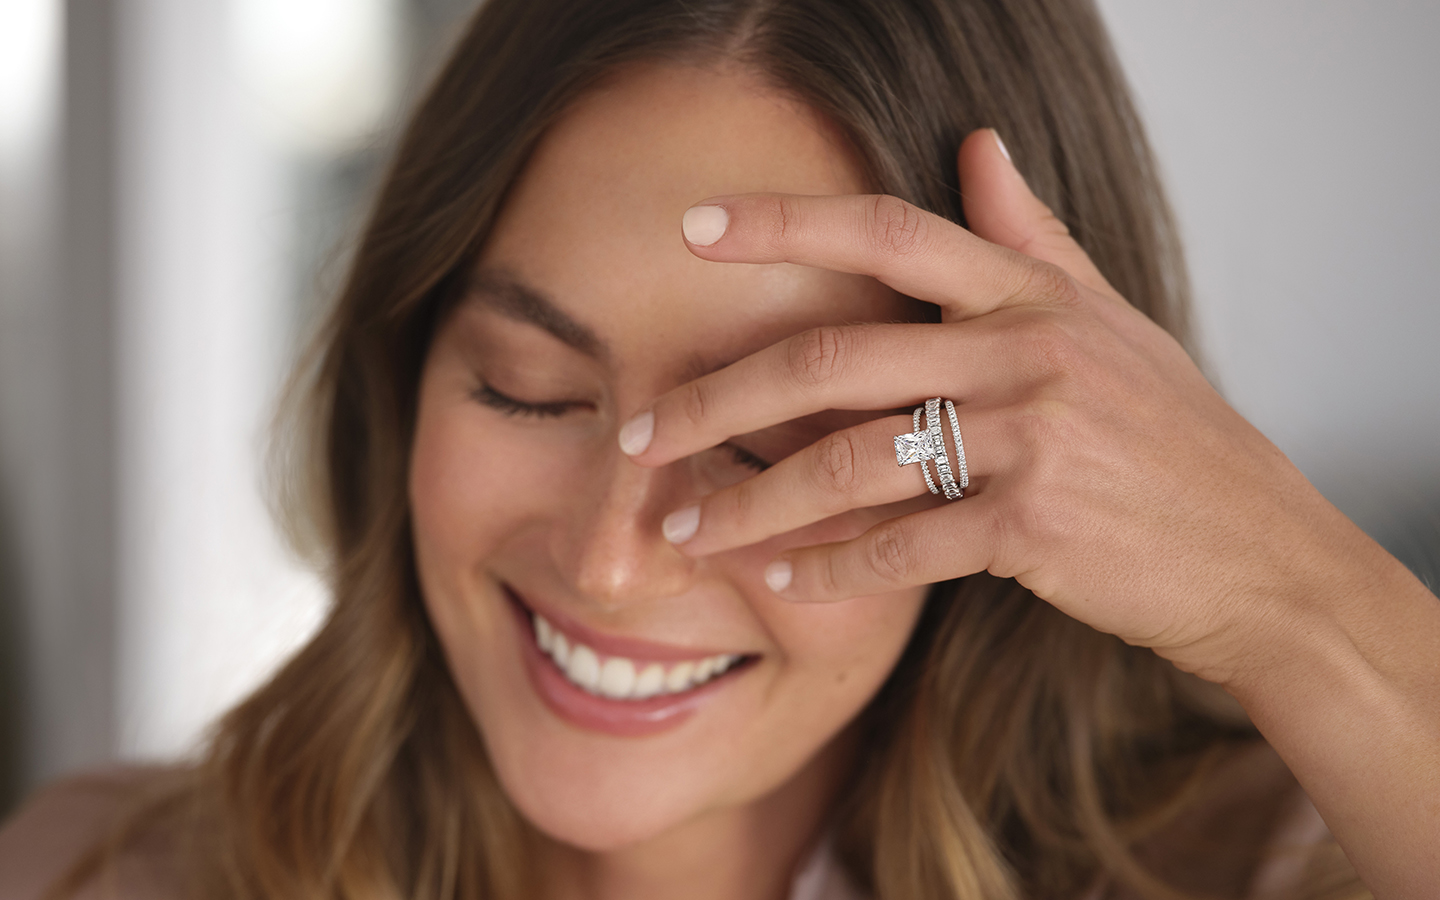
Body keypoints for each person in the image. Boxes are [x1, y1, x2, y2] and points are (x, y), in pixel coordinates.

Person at [2, 0, 1436, 897]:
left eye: (777, 446)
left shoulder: (1262, 865)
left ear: (1016, 471)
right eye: (527, 391)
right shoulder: (111, 875)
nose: (613, 567)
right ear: (405, 371)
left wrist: (1296, 595)